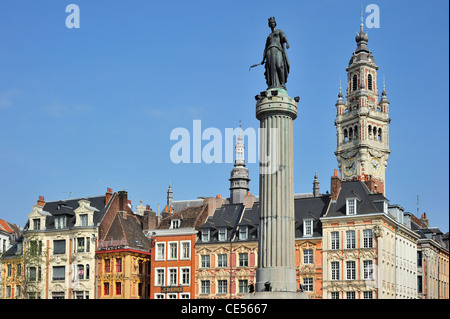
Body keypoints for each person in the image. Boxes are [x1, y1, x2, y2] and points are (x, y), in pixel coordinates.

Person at [261, 17, 290, 89]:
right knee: (271, 69)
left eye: (273, 22)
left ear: (275, 23)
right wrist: (263, 59)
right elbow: (265, 48)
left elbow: (283, 37)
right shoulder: (269, 36)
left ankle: (282, 83)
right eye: (270, 23)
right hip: (269, 51)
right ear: (269, 25)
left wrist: (287, 43)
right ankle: (271, 85)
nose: (272, 24)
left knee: (279, 66)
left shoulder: (279, 31)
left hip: (278, 50)